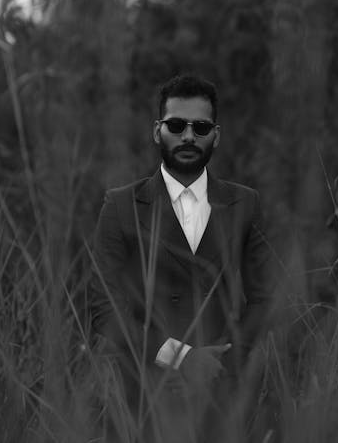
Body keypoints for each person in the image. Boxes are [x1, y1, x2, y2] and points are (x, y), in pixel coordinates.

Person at [90, 74, 274, 441]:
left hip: (223, 393)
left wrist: (223, 362)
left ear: (216, 135)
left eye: (200, 127)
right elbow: (103, 305)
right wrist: (181, 359)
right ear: (158, 131)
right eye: (177, 125)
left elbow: (267, 298)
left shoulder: (245, 203)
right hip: (143, 392)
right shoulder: (121, 205)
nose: (189, 136)